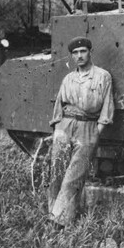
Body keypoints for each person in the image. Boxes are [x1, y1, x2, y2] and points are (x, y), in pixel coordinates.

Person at [47, 37, 114, 229]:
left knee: (74, 176)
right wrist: (57, 129)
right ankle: (54, 215)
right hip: (65, 126)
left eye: (83, 51)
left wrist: (97, 131)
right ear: (72, 56)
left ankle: (60, 221)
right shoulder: (68, 78)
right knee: (57, 173)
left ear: (90, 52)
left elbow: (107, 106)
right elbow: (59, 106)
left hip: (88, 126)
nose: (79, 56)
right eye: (75, 53)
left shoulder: (103, 76)